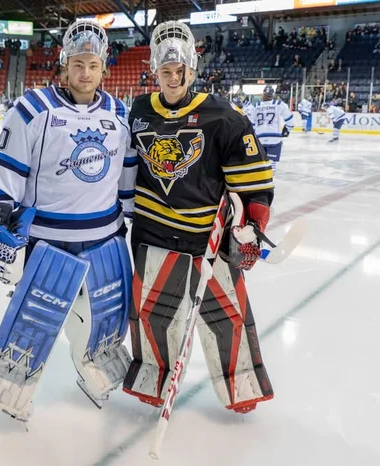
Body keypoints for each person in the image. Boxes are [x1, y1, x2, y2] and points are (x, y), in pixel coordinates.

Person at [0, 19, 137, 421]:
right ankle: (10, 389)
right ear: (64, 64)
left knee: (105, 320)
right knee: (34, 322)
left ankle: (98, 375)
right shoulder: (33, 108)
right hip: (46, 242)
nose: (85, 73)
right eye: (78, 64)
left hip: (105, 239)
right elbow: (4, 170)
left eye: (93, 65)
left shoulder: (119, 113)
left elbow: (128, 176)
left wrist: (136, 219)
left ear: (103, 69)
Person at [123, 21, 275, 415]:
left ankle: (241, 385)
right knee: (150, 314)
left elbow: (253, 183)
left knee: (228, 316)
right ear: (154, 71)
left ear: (193, 70)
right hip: (152, 235)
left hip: (207, 239)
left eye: (180, 72)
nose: (173, 79)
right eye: (165, 72)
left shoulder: (223, 116)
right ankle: (151, 378)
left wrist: (252, 229)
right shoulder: (138, 111)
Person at [251, 85, 295, 174]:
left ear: (263, 94)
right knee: (272, 163)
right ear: (273, 94)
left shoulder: (256, 106)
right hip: (274, 138)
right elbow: (290, 121)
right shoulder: (279, 104)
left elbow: (251, 124)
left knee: (260, 163)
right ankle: (270, 181)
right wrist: (287, 129)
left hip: (260, 138)